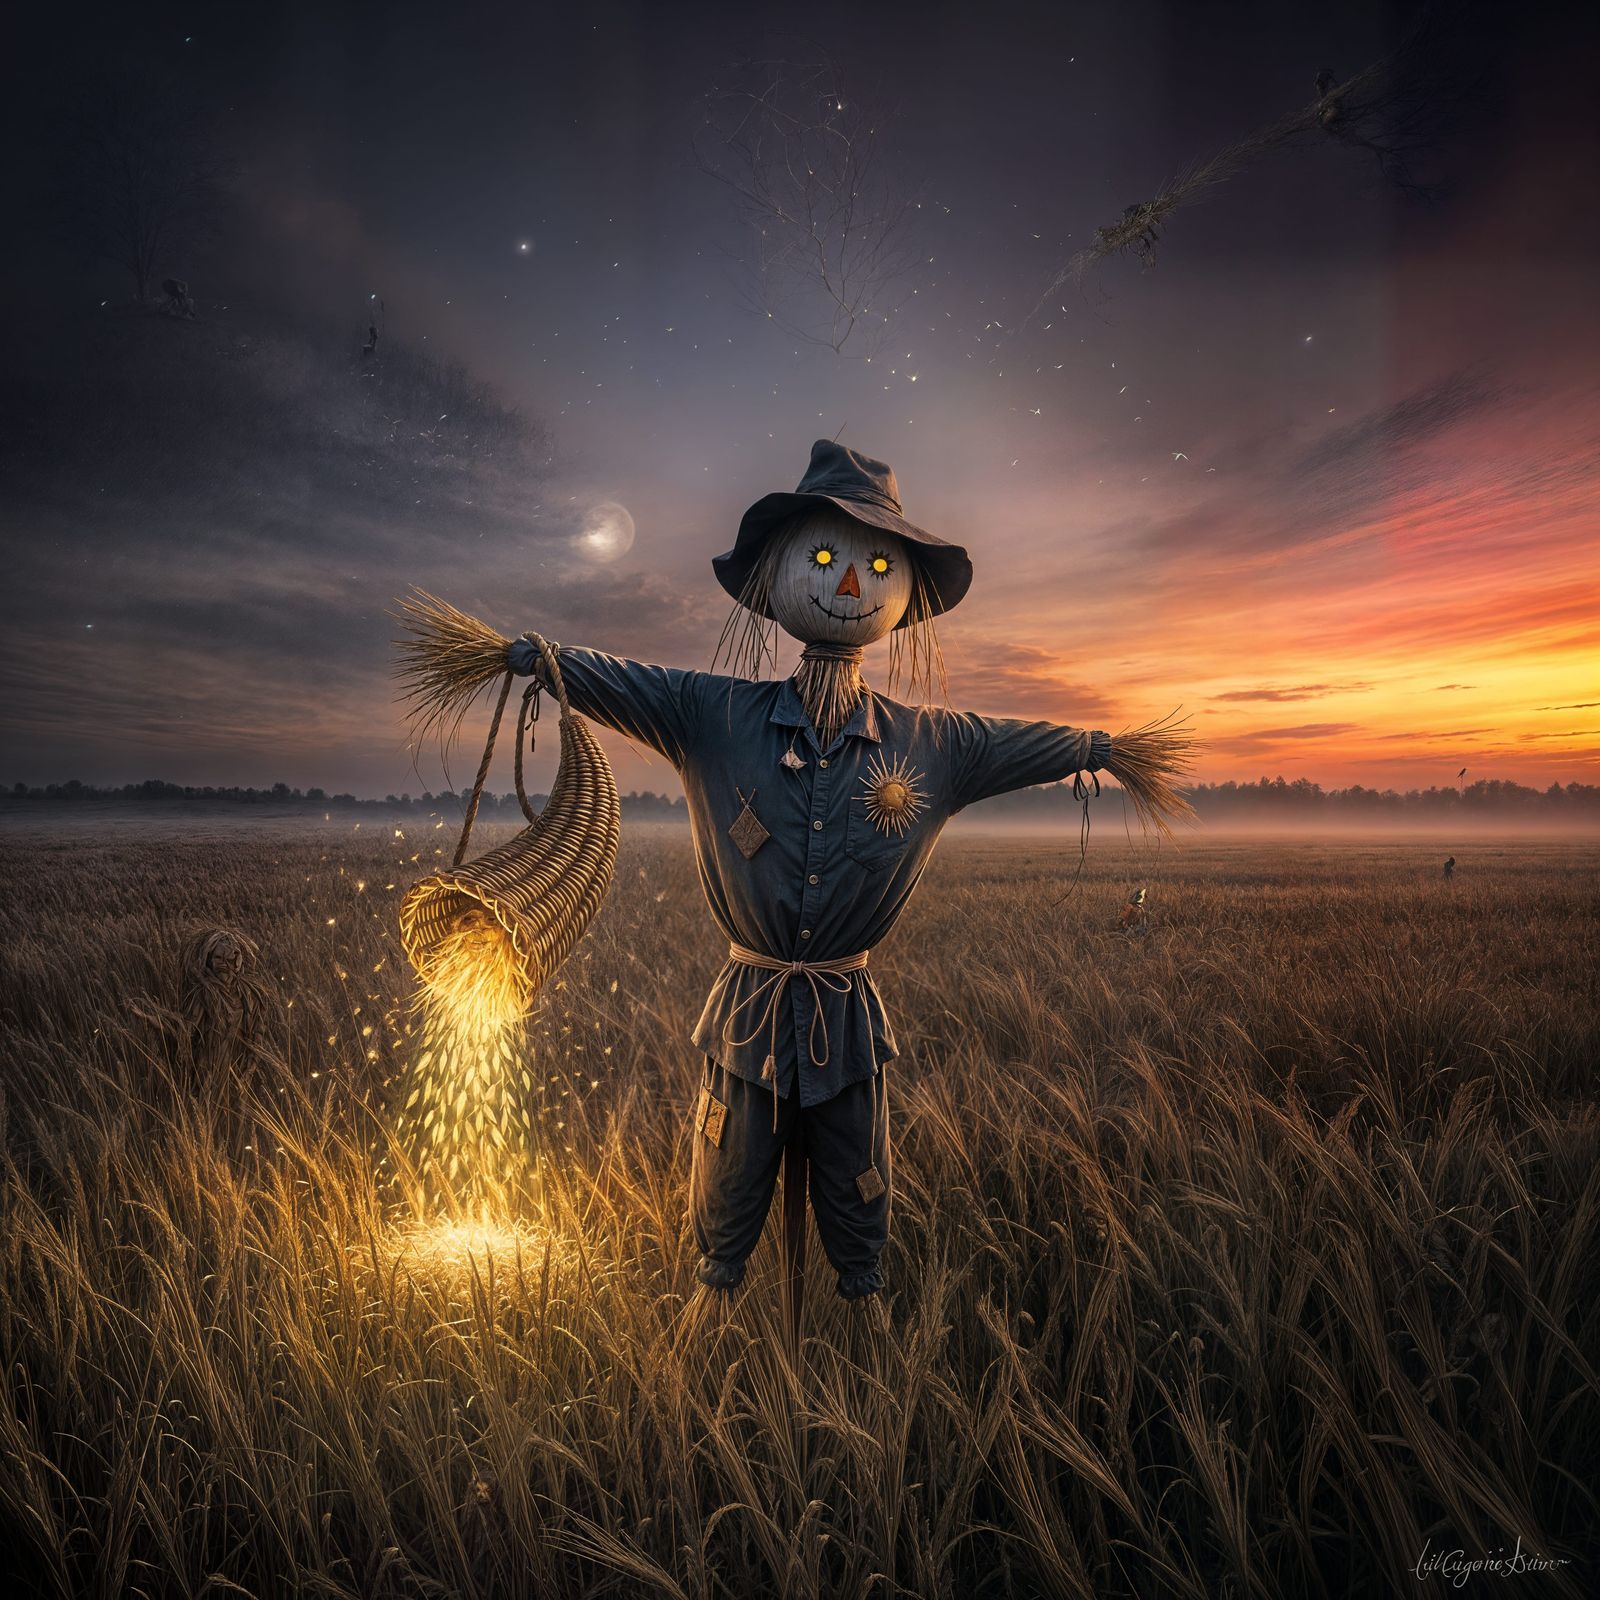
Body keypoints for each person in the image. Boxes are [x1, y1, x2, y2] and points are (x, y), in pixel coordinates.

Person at [506, 441, 1178, 1302]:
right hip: (749, 1017)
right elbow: (626, 682)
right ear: (781, 574)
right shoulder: (713, 715)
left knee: (859, 1192)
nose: (849, 584)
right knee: (727, 1185)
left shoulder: (933, 744)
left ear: (904, 590)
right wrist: (549, 661)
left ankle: (859, 1342)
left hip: (844, 1020)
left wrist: (1102, 749)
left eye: (872, 565)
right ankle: (708, 1347)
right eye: (824, 558)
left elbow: (1019, 740)